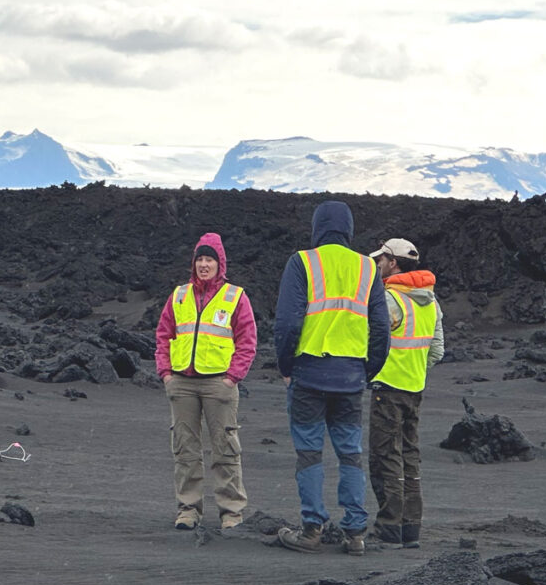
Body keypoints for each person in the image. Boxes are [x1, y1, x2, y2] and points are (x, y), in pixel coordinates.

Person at [274, 200, 391, 556]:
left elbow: (288, 322)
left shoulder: (303, 262)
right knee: (351, 454)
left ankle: (312, 529)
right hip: (351, 379)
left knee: (309, 453)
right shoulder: (367, 268)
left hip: (309, 375)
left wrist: (285, 367)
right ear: (349, 230)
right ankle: (355, 533)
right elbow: (381, 328)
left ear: (317, 228)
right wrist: (366, 370)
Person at [155, 232, 257, 531]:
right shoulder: (179, 295)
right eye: (199, 259)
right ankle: (188, 510)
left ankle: (231, 513)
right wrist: (166, 373)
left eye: (209, 259)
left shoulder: (235, 296)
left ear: (219, 263)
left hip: (218, 385)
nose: (203, 264)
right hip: (182, 383)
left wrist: (232, 377)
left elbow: (247, 340)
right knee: (185, 450)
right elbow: (163, 335)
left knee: (225, 450)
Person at [366, 238, 444, 549]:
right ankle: (411, 527)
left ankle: (389, 527)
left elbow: (372, 339)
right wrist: (414, 369)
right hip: (414, 388)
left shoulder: (389, 300)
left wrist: (372, 370)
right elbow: (436, 350)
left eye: (382, 260)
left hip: (388, 388)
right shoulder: (430, 301)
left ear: (393, 263)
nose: (378, 265)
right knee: (410, 457)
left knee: (386, 458)